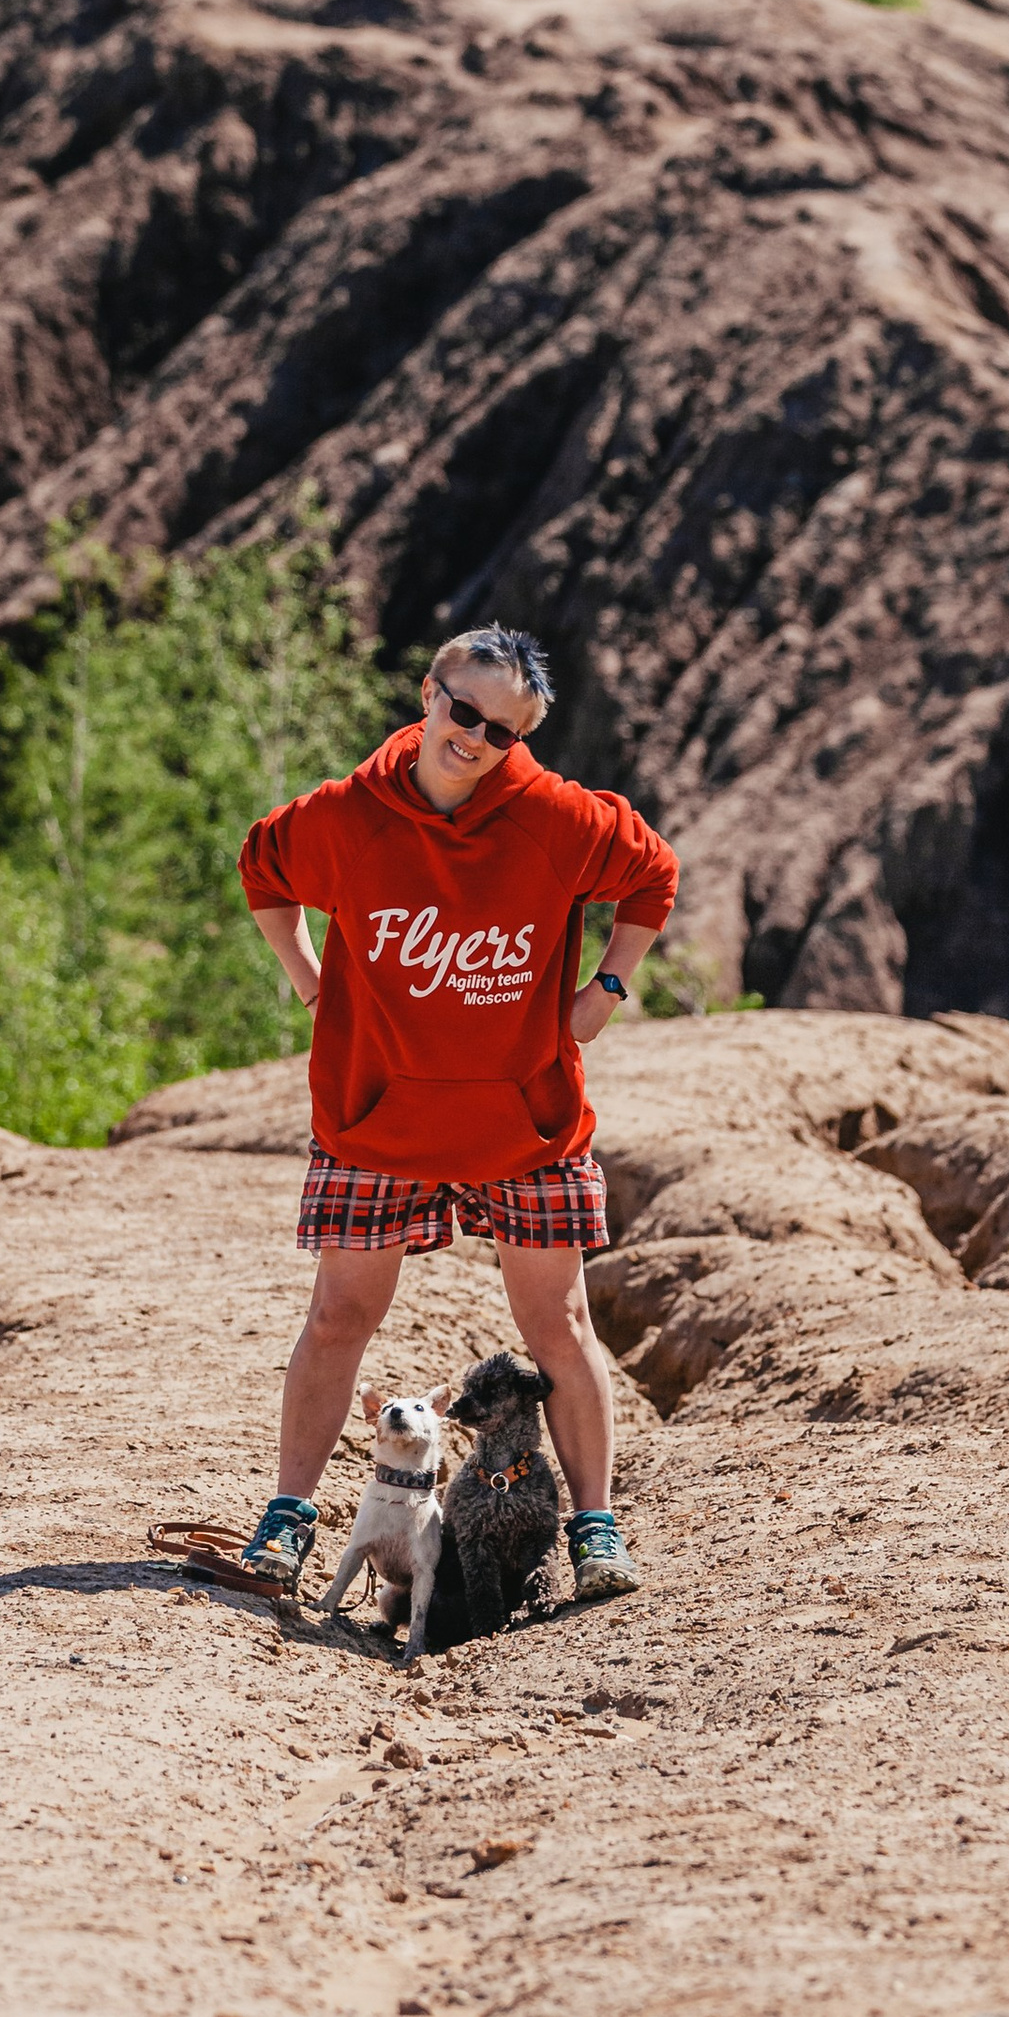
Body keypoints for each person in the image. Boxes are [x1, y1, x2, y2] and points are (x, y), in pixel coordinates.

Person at [234, 622, 678, 1611]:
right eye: (459, 708)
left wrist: (606, 985)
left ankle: (594, 1526)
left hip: (520, 1117)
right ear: (429, 692)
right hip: (377, 1113)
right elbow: (263, 868)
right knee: (339, 1313)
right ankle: (288, 1519)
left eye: (499, 730)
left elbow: (652, 876)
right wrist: (309, 981)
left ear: (523, 738)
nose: (470, 737)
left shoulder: (555, 820)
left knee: (557, 1319)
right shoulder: (350, 814)